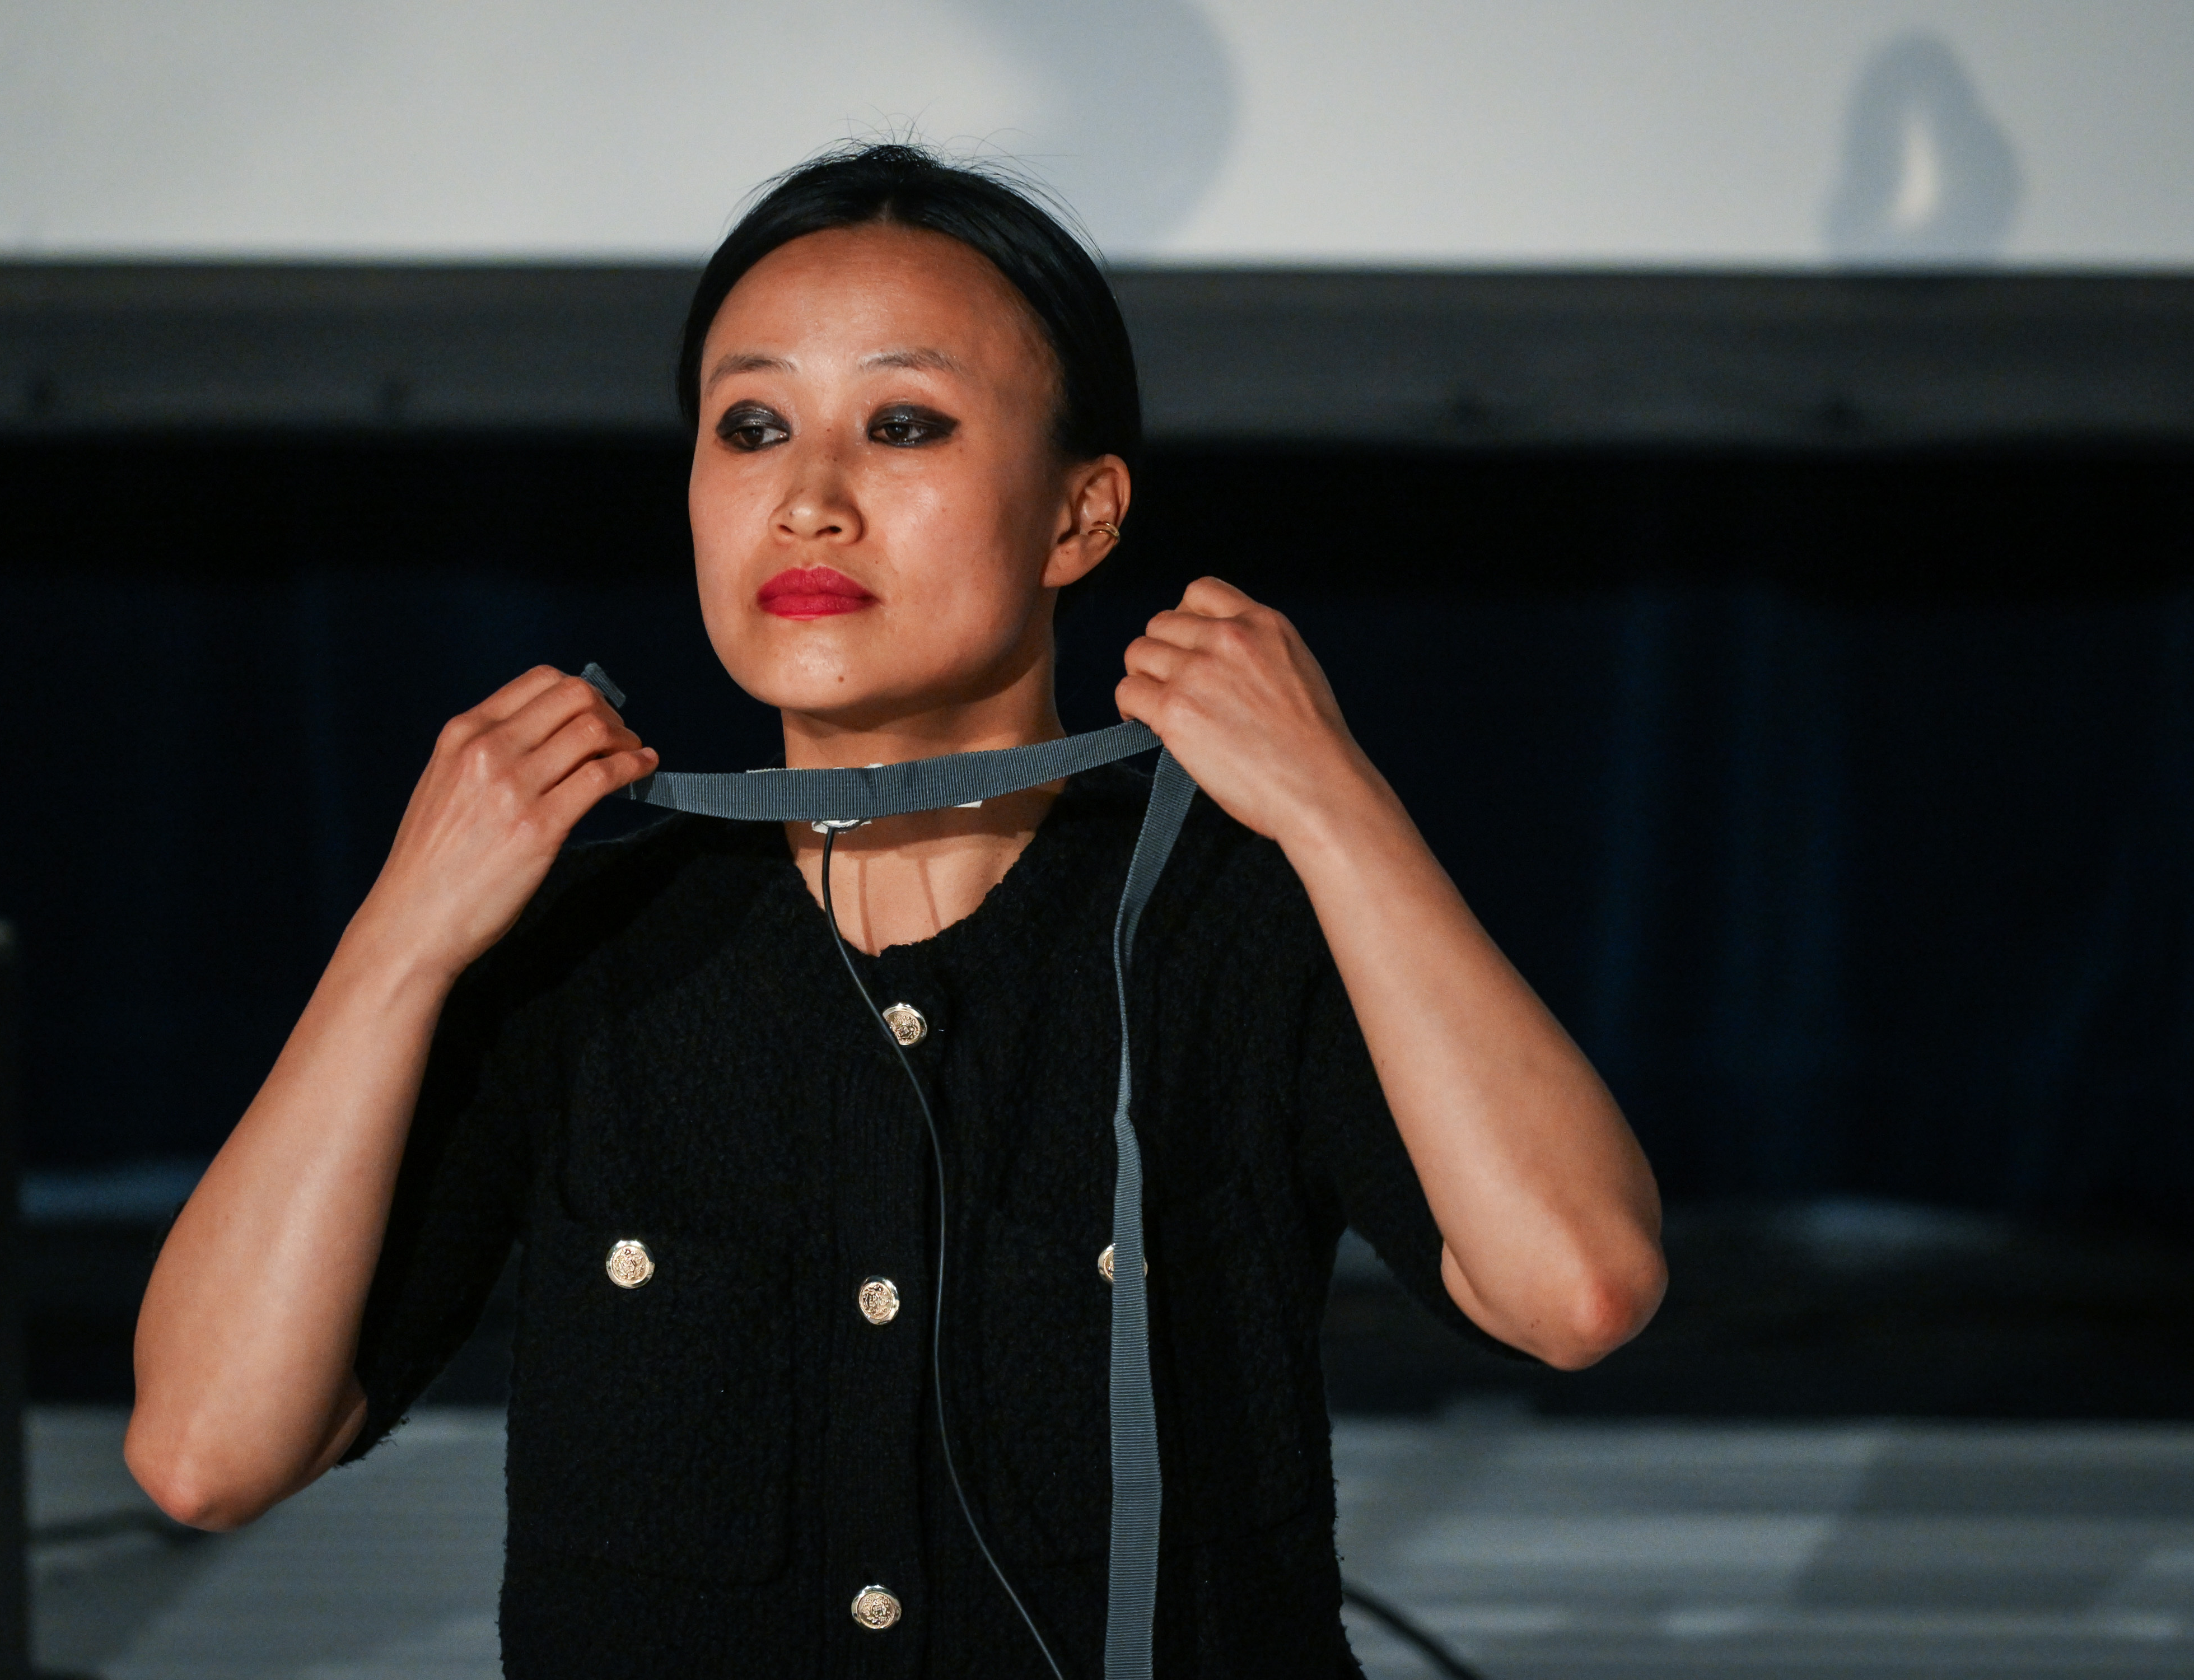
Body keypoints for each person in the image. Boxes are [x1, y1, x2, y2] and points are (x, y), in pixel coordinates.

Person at [126, 142, 1666, 1678]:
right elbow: (205, 1455)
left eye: (904, 424)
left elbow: (1577, 1292)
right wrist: (397, 942)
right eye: (751, 428)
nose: (807, 502)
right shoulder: (575, 947)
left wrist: (1338, 808)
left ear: (1080, 517)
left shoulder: (1239, 914)